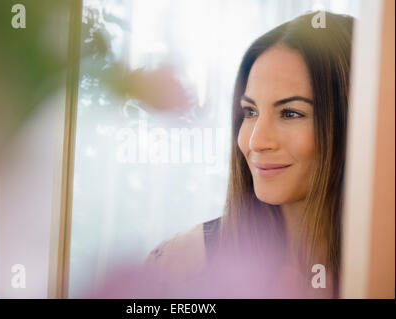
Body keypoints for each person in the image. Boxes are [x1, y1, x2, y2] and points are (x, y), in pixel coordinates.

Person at [145, 11, 354, 298]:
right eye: (250, 112)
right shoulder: (181, 262)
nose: (256, 141)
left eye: (291, 113)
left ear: (353, 123)